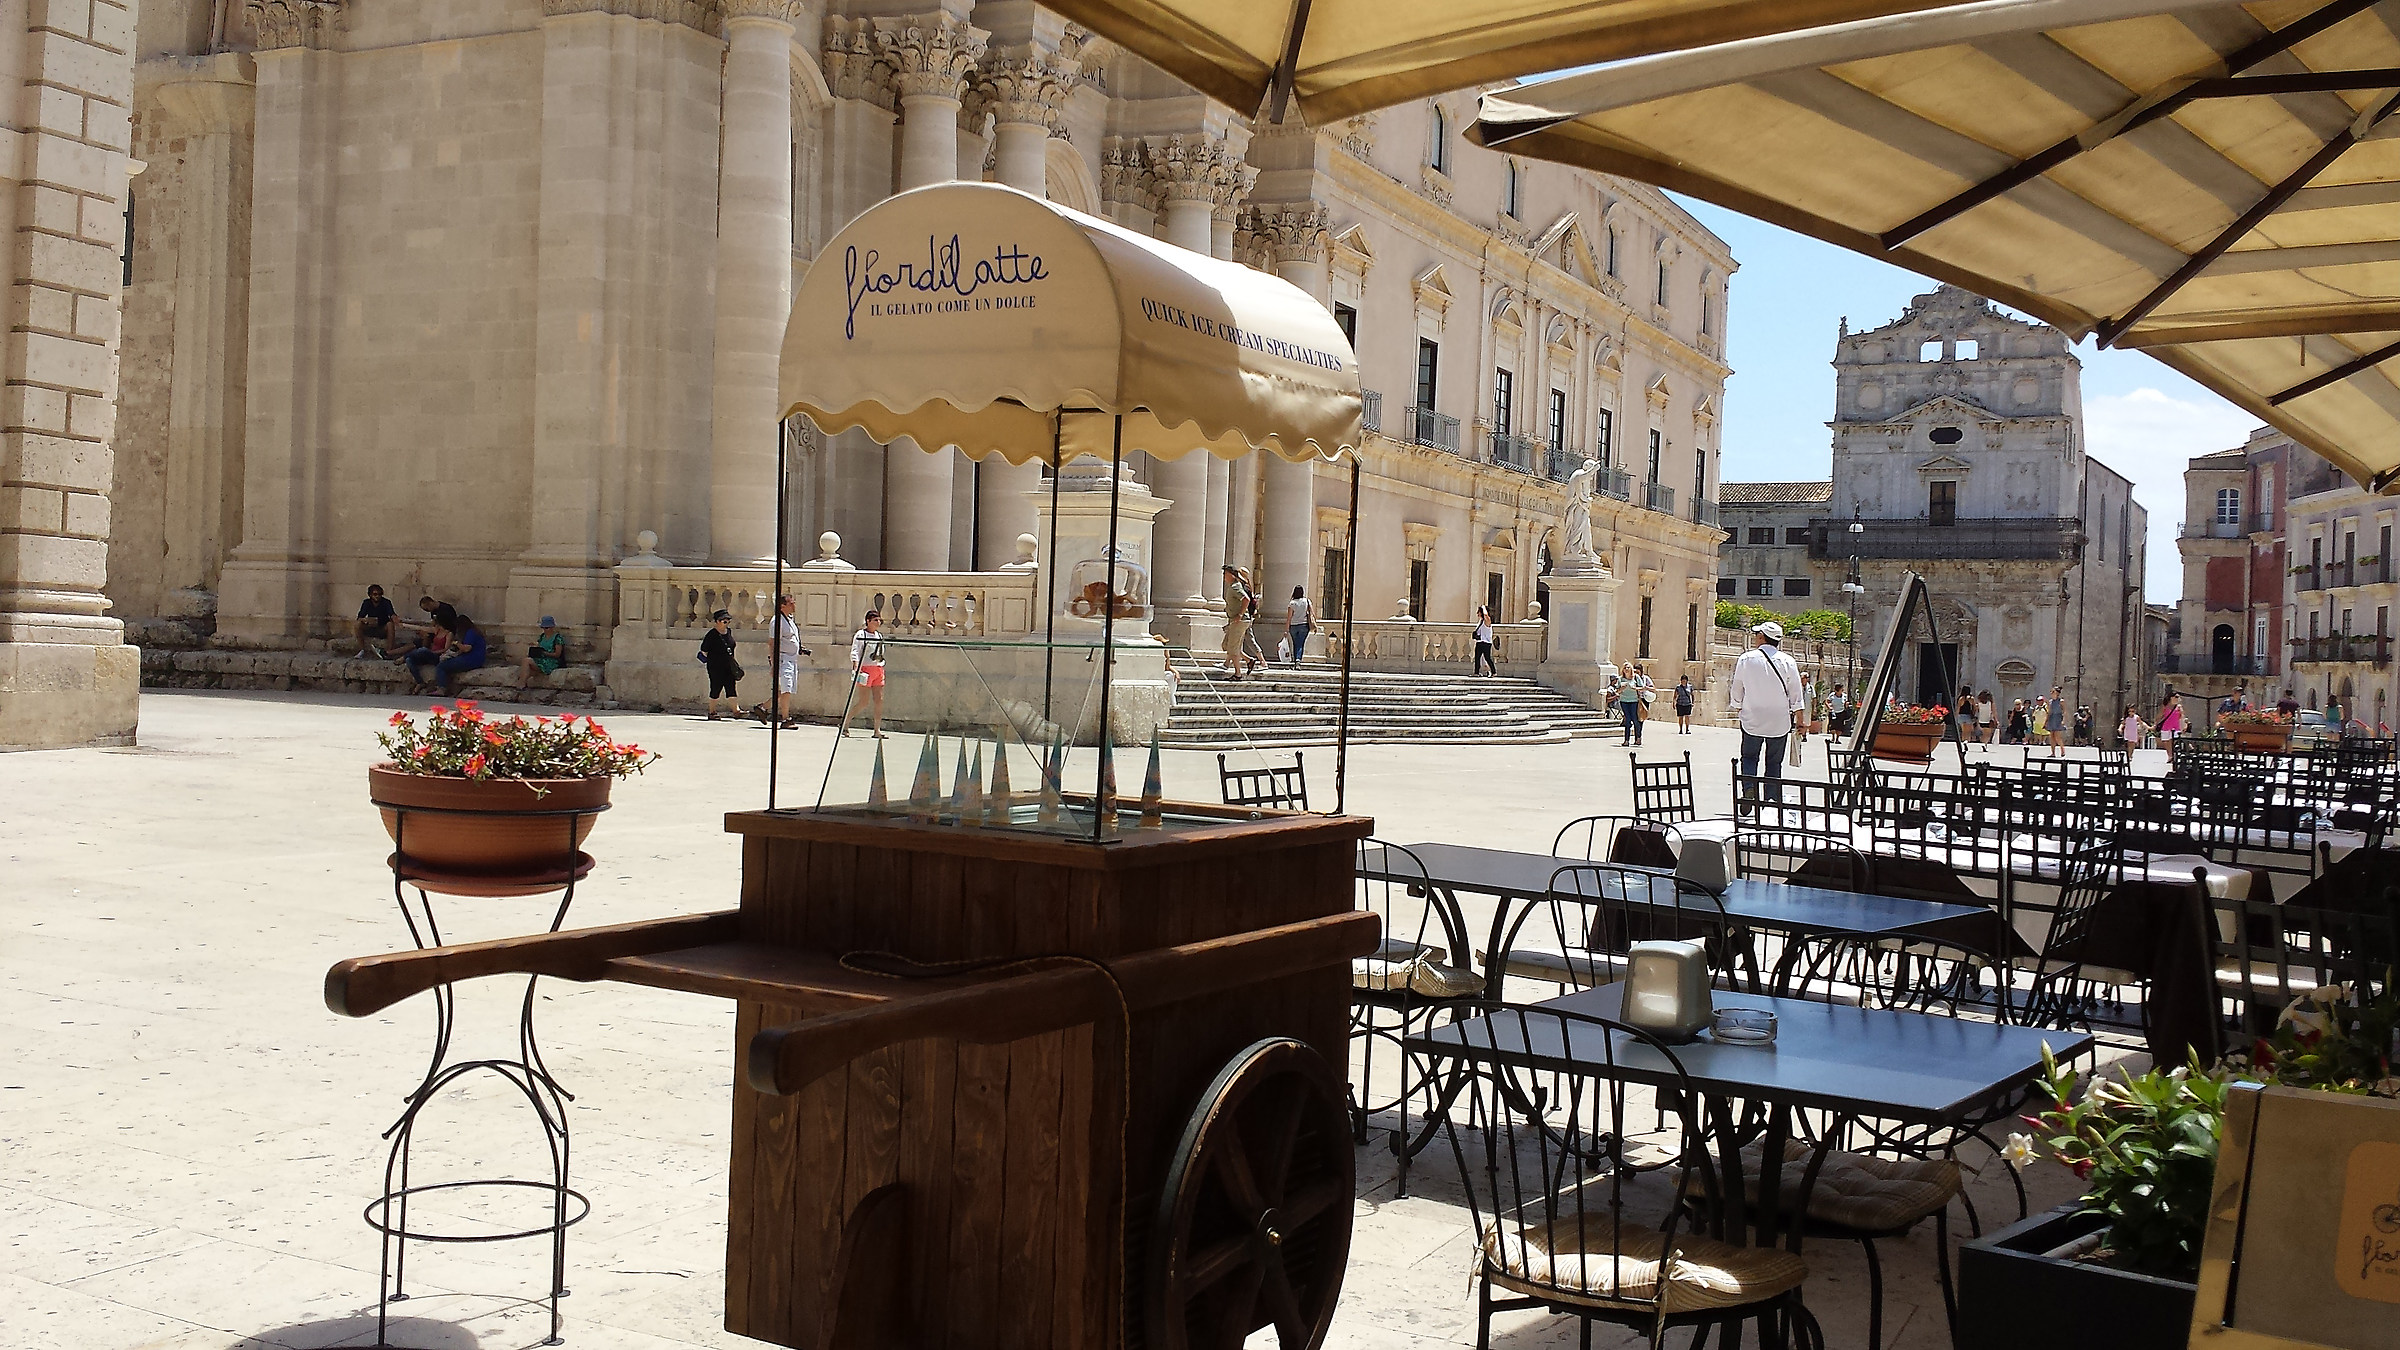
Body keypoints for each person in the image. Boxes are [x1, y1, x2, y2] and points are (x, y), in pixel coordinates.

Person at [1729, 621, 1806, 805]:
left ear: (1762, 637)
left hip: (1752, 718)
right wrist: (1801, 722)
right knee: (1774, 763)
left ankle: (1749, 788)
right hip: (1779, 721)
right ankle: (1771, 799)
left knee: (1749, 757)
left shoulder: (1746, 659)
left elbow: (1737, 688)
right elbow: (1796, 694)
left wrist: (1739, 706)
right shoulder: (1788, 661)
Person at [750, 594, 811, 727]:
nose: (794, 605)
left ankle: (763, 707)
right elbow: (772, 643)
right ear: (783, 606)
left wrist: (799, 648)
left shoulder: (789, 620)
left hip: (791, 659)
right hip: (783, 659)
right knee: (786, 689)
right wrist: (773, 664)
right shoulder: (776, 621)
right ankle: (785, 718)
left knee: (786, 688)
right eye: (791, 603)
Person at [838, 609, 888, 738]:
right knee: (864, 701)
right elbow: (855, 651)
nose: (878, 622)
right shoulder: (861, 634)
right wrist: (855, 665)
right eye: (875, 620)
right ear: (868, 621)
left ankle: (877, 730)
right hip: (865, 669)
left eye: (879, 620)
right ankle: (846, 723)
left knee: (879, 700)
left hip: (878, 669)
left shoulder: (879, 635)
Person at [417, 612, 487, 695]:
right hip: (475, 659)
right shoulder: (475, 632)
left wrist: (456, 643)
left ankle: (441, 689)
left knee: (441, 666)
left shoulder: (470, 633)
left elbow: (467, 648)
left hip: (471, 659)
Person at [699, 609, 742, 720]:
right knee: (716, 688)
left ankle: (736, 710)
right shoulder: (711, 634)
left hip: (729, 666)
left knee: (731, 687)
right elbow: (704, 650)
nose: (726, 622)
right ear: (717, 621)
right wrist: (712, 660)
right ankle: (712, 712)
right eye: (723, 620)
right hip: (715, 667)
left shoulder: (729, 632)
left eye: (728, 620)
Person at [1221, 566, 1261, 678]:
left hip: (1239, 621)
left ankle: (1238, 673)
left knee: (1232, 648)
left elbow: (1246, 599)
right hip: (1235, 621)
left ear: (1231, 575)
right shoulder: (1232, 586)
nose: (1224, 576)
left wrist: (1240, 614)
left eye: (1225, 574)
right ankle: (1249, 660)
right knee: (1228, 646)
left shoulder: (1235, 587)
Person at [519, 615, 566, 685]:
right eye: (543, 628)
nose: (545, 630)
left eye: (546, 628)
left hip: (551, 661)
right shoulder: (542, 636)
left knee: (527, 661)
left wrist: (544, 653)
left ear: (552, 627)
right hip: (541, 659)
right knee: (526, 663)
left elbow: (557, 654)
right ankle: (522, 683)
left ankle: (521, 684)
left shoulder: (557, 638)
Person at [354, 584, 397, 658]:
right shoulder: (366, 603)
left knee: (390, 625)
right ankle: (362, 650)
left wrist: (395, 619)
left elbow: (391, 614)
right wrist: (366, 620)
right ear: (370, 595)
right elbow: (360, 617)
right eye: (375, 594)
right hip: (370, 627)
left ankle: (389, 652)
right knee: (357, 625)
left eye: (380, 594)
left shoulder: (386, 602)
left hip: (382, 628)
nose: (377, 596)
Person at [1616, 661, 1652, 746]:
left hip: (1634, 701)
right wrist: (1621, 689)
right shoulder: (1620, 679)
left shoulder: (1636, 678)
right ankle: (1626, 740)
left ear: (1631, 669)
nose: (1626, 669)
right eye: (1625, 668)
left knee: (1635, 719)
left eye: (1628, 667)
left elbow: (1642, 687)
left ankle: (1638, 738)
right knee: (1627, 720)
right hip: (1624, 701)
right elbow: (1617, 691)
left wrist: (1634, 688)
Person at [1285, 586, 1313, 667]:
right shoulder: (1307, 601)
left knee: (1295, 643)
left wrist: (1286, 629)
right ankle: (1298, 659)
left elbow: (1289, 617)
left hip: (1293, 625)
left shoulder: (1292, 603)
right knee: (1301, 643)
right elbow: (1312, 613)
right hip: (1304, 625)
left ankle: (1295, 659)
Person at [1471, 606, 1497, 677]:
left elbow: (1486, 615)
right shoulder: (1480, 622)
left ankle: (1494, 671)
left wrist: (1483, 608)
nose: (1477, 613)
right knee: (1477, 657)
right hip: (1480, 642)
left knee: (1487, 658)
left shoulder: (1487, 620)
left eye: (1479, 612)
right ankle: (1476, 672)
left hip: (1486, 643)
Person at [2045, 685, 2068, 757]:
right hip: (2052, 718)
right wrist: (2046, 721)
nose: (2051, 693)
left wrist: (2063, 720)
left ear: (2057, 693)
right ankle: (2053, 752)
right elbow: (2049, 712)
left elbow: (2064, 711)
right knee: (2051, 736)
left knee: (2057, 736)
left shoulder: (2061, 701)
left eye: (2053, 692)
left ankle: (2062, 750)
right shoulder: (2050, 701)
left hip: (2058, 719)